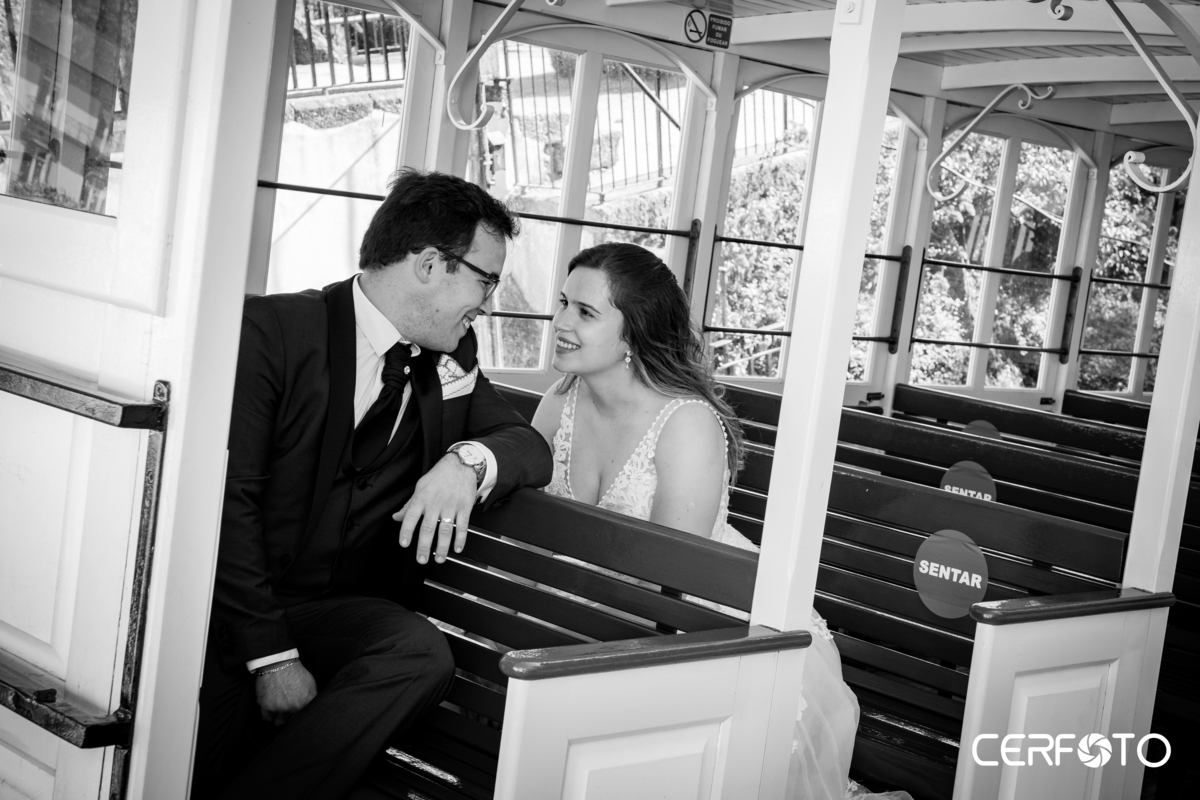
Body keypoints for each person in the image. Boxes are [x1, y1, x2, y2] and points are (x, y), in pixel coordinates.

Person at [194, 170, 553, 800]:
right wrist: (272, 657)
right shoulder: (272, 332)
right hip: (232, 608)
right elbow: (226, 503)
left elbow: (529, 446)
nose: (489, 302)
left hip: (340, 613)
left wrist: (465, 463)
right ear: (430, 265)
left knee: (420, 655)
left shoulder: (452, 355)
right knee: (190, 770)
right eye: (486, 280)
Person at [531, 242, 911, 800]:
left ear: (634, 333)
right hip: (594, 601)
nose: (561, 322)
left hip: (702, 619)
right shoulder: (559, 401)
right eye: (564, 303)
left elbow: (670, 582)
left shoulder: (685, 423)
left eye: (585, 312)